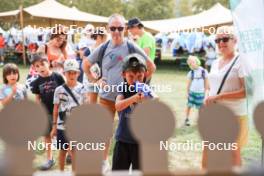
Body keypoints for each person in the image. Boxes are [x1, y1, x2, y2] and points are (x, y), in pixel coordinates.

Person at [82, 13, 156, 173]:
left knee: (130, 135)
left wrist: (139, 86)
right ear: (108, 29)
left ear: (125, 29)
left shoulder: (131, 46)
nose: (116, 31)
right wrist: (95, 81)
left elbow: (151, 67)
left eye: (120, 28)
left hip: (129, 100)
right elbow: (85, 64)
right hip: (107, 98)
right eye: (113, 28)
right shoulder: (103, 47)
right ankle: (103, 161)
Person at [203, 26, 248, 168]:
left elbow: (246, 91)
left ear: (235, 41)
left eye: (225, 39)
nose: (221, 43)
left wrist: (219, 97)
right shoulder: (215, 62)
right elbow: (210, 86)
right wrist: (207, 96)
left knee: (233, 153)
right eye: (217, 40)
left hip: (234, 115)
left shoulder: (241, 61)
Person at [112, 53, 150, 171]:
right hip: (122, 139)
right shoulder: (122, 88)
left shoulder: (146, 89)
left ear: (145, 75)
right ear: (123, 75)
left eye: (139, 76)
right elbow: (118, 106)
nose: (135, 80)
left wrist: (147, 98)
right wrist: (134, 98)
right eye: (131, 76)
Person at [50, 59, 87, 171]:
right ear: (64, 73)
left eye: (74, 72)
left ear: (78, 73)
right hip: (62, 126)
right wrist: (54, 126)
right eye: (69, 72)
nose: (71, 75)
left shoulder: (82, 89)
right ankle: (61, 172)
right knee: (63, 151)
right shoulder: (59, 90)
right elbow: (56, 108)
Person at [30, 53, 65, 170]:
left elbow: (66, 92)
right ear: (34, 68)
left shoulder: (57, 77)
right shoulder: (36, 83)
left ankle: (70, 154)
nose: (41, 68)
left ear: (48, 63)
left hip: (61, 112)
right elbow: (37, 99)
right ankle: (50, 159)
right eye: (37, 66)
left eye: (43, 64)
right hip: (47, 113)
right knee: (47, 136)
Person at [84, 28, 108, 104]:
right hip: (91, 78)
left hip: (102, 78)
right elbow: (85, 66)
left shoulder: (106, 49)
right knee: (90, 99)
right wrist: (92, 79)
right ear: (98, 37)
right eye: (105, 36)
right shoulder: (88, 50)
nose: (106, 39)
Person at [185, 56, 209, 126]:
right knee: (189, 106)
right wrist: (187, 93)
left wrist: (206, 94)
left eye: (193, 62)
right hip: (192, 93)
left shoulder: (204, 72)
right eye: (190, 64)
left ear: (197, 61)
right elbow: (188, 84)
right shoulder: (191, 73)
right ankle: (187, 119)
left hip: (201, 93)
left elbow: (206, 84)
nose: (192, 64)